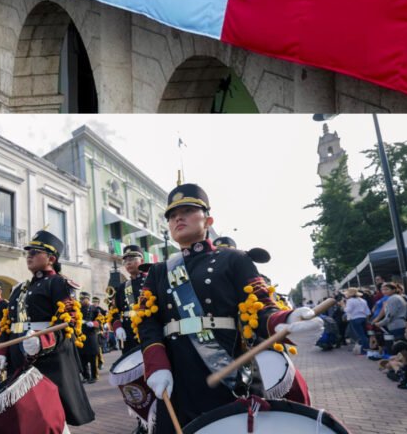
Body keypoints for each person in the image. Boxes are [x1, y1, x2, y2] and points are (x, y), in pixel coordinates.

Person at [137, 184, 323, 434]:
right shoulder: (158, 272)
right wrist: (157, 365)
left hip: (226, 372)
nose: (178, 218)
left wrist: (286, 320)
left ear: (208, 220)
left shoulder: (234, 259)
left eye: (188, 210)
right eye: (172, 215)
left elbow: (259, 306)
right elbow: (148, 324)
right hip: (176, 377)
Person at [3, 230, 95, 426]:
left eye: (35, 252)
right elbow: (9, 324)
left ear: (51, 258)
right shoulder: (20, 288)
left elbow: (68, 321)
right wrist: (2, 351)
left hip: (48, 356)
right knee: (24, 410)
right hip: (18, 354)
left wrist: (41, 341)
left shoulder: (58, 283)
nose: (29, 255)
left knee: (49, 413)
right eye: (28, 252)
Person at [109, 244, 147, 355]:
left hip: (148, 330)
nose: (128, 263)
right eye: (125, 261)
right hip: (128, 334)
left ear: (142, 260)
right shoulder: (122, 287)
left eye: (132, 259)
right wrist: (117, 327)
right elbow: (114, 311)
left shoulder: (151, 281)